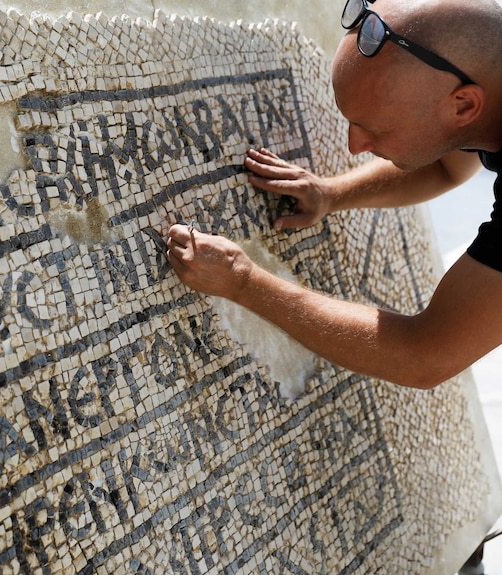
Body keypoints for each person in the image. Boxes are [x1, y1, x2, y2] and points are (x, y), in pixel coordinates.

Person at [167, 0, 502, 389]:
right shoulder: (481, 97)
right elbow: (447, 165)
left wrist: (242, 280)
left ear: (463, 105)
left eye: (374, 129)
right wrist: (331, 194)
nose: (354, 146)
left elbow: (425, 354)